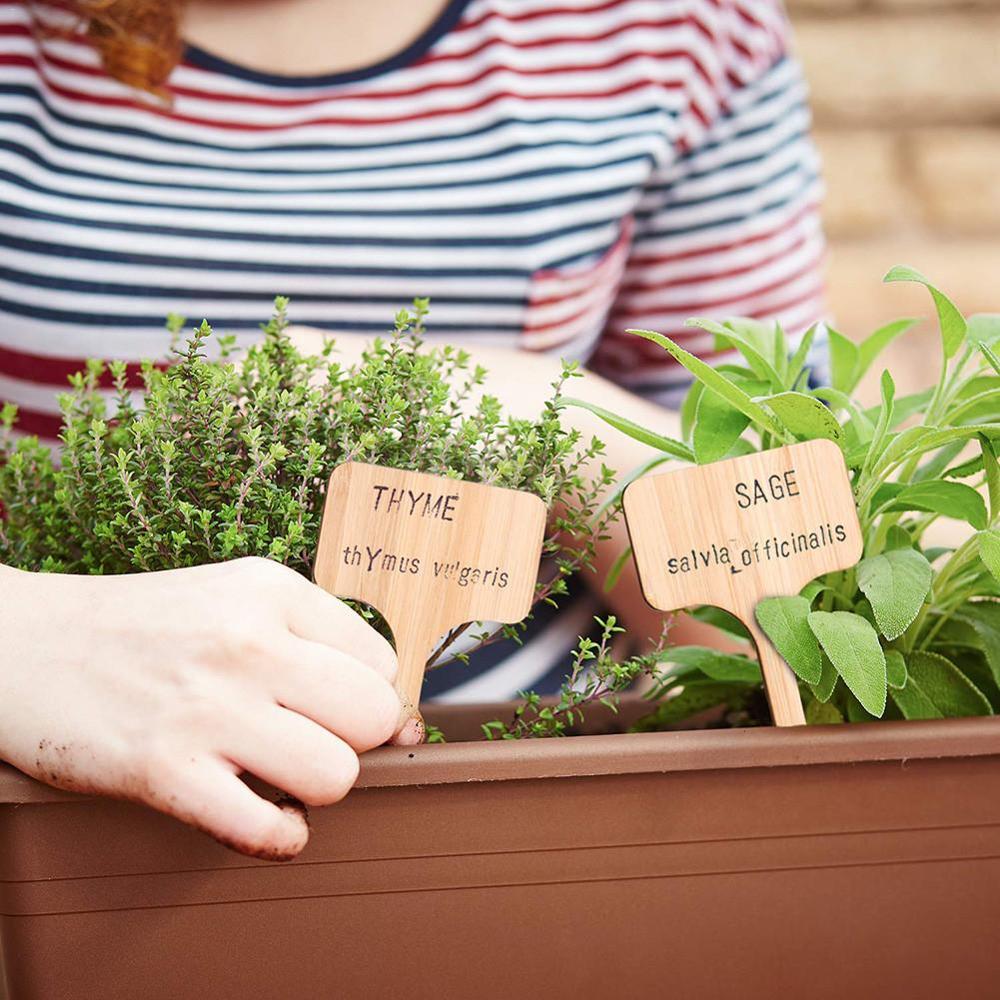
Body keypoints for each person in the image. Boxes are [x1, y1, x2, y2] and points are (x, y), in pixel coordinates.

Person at [0, 0, 826, 858]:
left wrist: (523, 415)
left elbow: (780, 601)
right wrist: (26, 634)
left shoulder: (672, 26)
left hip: (542, 794)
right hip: (70, 825)